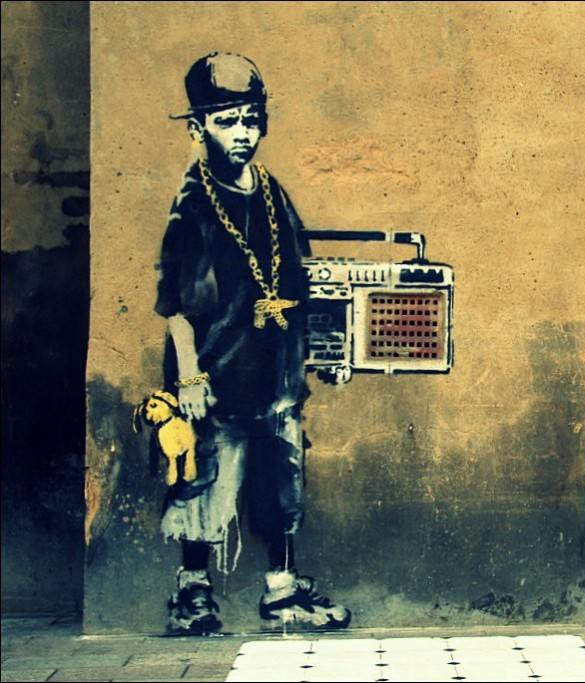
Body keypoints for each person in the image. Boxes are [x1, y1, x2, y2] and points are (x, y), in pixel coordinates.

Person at [155, 52, 350, 634]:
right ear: (198, 128)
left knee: (280, 482)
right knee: (205, 480)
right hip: (216, 372)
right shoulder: (194, 202)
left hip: (276, 372)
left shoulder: (271, 191)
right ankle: (193, 594)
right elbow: (176, 305)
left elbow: (303, 280)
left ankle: (282, 593)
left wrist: (325, 350)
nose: (242, 133)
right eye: (227, 121)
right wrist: (189, 377)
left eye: (250, 119)